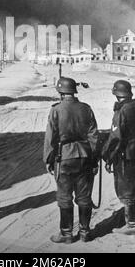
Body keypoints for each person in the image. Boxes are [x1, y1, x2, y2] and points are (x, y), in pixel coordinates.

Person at [43, 77, 100, 244]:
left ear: (61, 92)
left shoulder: (56, 110)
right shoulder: (86, 109)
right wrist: (94, 159)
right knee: (84, 197)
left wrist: (48, 159)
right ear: (73, 92)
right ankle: (85, 232)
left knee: (64, 197)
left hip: (64, 157)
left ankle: (66, 234)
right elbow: (94, 136)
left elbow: (50, 138)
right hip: (84, 157)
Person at [102, 80, 135, 235]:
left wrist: (107, 156)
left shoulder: (122, 111)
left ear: (117, 94)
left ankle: (132, 224)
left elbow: (116, 137)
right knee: (131, 182)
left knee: (126, 187)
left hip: (124, 152)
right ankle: (134, 215)